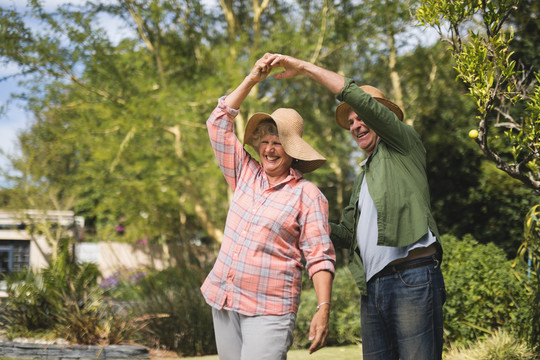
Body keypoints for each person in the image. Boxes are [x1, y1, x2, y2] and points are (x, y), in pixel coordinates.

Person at [265, 53, 446, 360]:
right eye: (350, 122)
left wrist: (306, 68)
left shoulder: (405, 144)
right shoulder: (363, 177)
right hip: (373, 288)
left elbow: (354, 97)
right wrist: (304, 212)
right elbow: (347, 233)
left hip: (411, 278)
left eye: (361, 117)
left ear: (380, 116)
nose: (355, 124)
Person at [200, 53, 336, 360]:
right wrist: (252, 79)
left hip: (269, 310)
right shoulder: (244, 172)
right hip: (224, 298)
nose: (270, 149)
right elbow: (218, 123)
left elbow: (320, 256)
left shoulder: (307, 195)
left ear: (292, 151)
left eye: (279, 142)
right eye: (266, 141)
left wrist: (323, 308)